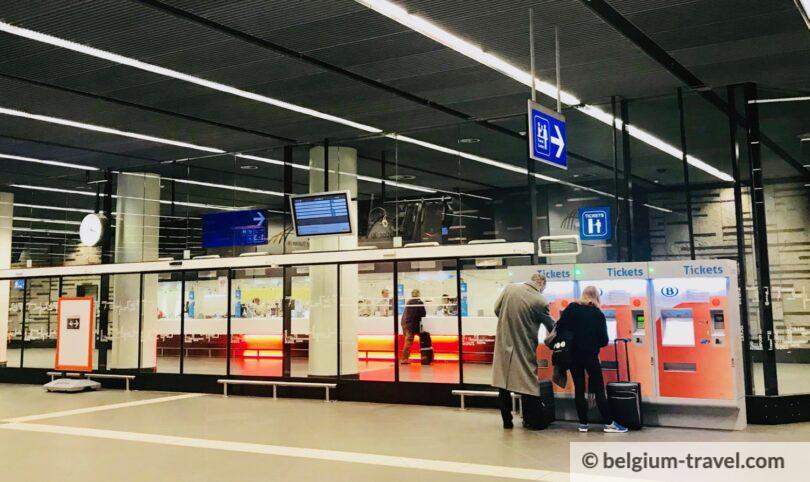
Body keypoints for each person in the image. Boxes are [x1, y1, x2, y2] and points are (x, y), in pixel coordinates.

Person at [555, 285, 628, 433]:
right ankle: (608, 423)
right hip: (590, 356)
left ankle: (583, 424)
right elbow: (604, 340)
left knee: (579, 388)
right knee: (598, 389)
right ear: (596, 297)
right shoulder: (597, 313)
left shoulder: (571, 308)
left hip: (573, 356)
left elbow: (560, 327)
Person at [492, 272, 555, 429]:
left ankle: (507, 422)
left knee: (503, 384)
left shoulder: (509, 289)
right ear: (541, 284)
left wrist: (508, 324)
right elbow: (551, 327)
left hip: (503, 343)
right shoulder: (540, 300)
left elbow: (496, 309)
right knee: (527, 384)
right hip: (523, 345)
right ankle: (533, 421)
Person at [400, 289, 426, 364]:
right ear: (418, 294)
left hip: (405, 323)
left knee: (407, 341)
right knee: (408, 341)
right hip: (412, 324)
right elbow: (423, 314)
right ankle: (404, 359)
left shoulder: (409, 302)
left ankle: (405, 358)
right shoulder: (419, 302)